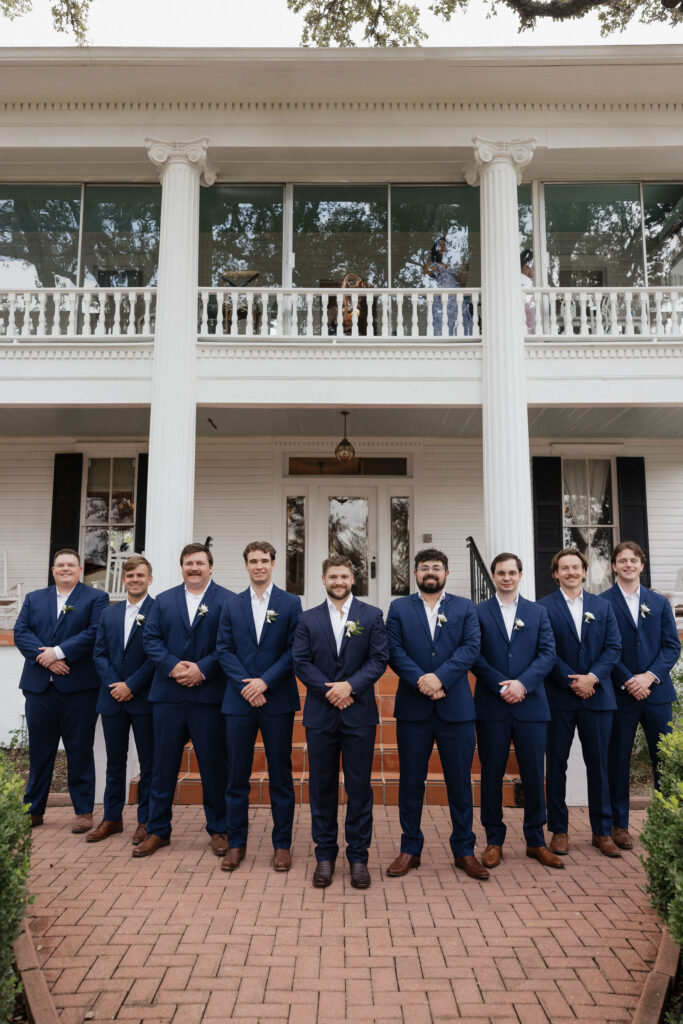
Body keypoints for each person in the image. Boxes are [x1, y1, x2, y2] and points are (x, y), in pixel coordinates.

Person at [385, 548, 487, 880]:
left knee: (460, 782)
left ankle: (464, 850)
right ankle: (409, 848)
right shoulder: (399, 608)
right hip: (414, 709)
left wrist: (440, 678)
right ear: (415, 573)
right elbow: (394, 650)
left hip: (454, 707)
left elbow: (471, 647)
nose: (431, 572)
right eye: (424, 567)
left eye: (437, 567)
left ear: (446, 573)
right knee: (411, 781)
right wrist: (421, 680)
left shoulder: (464, 607)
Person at [292, 556, 389, 889]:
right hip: (321, 715)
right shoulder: (307, 619)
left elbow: (379, 658)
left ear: (353, 578)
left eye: (344, 576)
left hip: (359, 713)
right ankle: (324, 856)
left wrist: (352, 686)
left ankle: (358, 857)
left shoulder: (371, 615)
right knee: (322, 787)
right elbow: (301, 661)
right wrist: (329, 691)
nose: (338, 581)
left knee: (359, 788)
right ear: (323, 579)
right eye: (333, 576)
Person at [135, 543, 233, 857]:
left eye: (200, 563)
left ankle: (219, 828)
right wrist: (173, 666)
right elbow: (150, 639)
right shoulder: (163, 601)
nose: (194, 568)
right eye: (189, 563)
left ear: (210, 567)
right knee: (162, 766)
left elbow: (229, 644)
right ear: (182, 568)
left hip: (208, 697)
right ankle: (157, 829)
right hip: (168, 696)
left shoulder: (228, 601)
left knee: (214, 767)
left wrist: (203, 669)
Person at [216, 541, 302, 872]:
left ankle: (282, 845)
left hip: (276, 699)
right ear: (246, 565)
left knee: (281, 774)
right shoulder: (231, 604)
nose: (259, 566)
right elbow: (224, 649)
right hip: (238, 701)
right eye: (253, 561)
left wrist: (264, 682)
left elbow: (294, 649)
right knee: (236, 774)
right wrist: (246, 685)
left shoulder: (290, 603)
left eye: (264, 560)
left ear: (274, 564)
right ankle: (236, 843)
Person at [474, 552, 562, 869]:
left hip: (531, 705)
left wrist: (522, 684)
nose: (507, 577)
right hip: (492, 705)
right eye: (501, 573)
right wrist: (501, 684)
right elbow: (474, 654)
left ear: (520, 575)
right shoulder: (479, 613)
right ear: (494, 577)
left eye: (512, 572)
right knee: (492, 774)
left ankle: (535, 841)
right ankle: (493, 840)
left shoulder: (537, 613)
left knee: (534, 775)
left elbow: (547, 654)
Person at [14, 548, 109, 833]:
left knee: (79, 749)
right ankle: (34, 809)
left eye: (71, 565)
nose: (65, 569)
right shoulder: (34, 598)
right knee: (39, 751)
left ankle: (83, 811)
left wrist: (57, 652)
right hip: (39, 688)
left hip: (80, 688)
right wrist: (47, 661)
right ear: (53, 570)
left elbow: (95, 633)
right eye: (60, 565)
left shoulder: (96, 598)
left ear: (80, 570)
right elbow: (21, 633)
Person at [539, 548, 622, 858]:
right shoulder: (543, 608)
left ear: (584, 571)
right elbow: (544, 648)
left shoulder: (603, 606)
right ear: (555, 573)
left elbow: (613, 648)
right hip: (558, 697)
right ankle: (559, 830)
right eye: (564, 567)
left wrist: (592, 678)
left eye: (576, 567)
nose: (571, 572)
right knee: (556, 764)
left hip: (598, 697)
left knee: (599, 766)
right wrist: (572, 680)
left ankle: (602, 831)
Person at [603, 541, 680, 850]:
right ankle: (619, 825)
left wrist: (649, 676)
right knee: (618, 759)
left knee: (663, 760)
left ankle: (665, 821)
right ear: (613, 566)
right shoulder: (603, 603)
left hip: (657, 693)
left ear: (641, 565)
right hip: (621, 695)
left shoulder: (659, 602)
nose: (628, 565)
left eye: (633, 560)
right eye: (622, 560)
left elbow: (671, 646)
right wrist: (628, 679)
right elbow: (605, 647)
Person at [88, 555, 155, 845]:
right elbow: (99, 653)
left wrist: (132, 685)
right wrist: (115, 684)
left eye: (140, 575)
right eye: (130, 576)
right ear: (124, 580)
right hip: (112, 697)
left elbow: (156, 655)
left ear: (149, 579)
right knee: (115, 761)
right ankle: (112, 818)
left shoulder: (159, 610)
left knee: (149, 763)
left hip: (144, 698)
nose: (135, 580)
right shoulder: (109, 614)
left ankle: (146, 820)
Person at [423, 236, 472, 337]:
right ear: (435, 249)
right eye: (440, 245)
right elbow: (425, 277)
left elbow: (462, 284)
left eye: (444, 245)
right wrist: (432, 270)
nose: (442, 247)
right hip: (440, 301)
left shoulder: (451, 264)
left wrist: (465, 267)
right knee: (441, 327)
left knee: (457, 327)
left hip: (454, 300)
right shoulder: (431, 263)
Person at [520, 248, 536, 334]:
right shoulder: (528, 269)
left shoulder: (515, 270)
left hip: (521, 296)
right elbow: (533, 279)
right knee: (529, 316)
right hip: (527, 297)